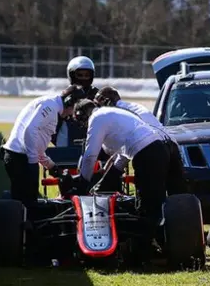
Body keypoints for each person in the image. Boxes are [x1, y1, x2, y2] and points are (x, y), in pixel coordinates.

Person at [72, 99, 169, 262]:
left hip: (146, 153)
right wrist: (107, 179)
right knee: (155, 202)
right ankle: (158, 245)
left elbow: (90, 156)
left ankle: (144, 252)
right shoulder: (114, 114)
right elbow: (123, 154)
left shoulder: (97, 118)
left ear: (82, 116)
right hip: (157, 149)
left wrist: (83, 183)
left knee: (146, 204)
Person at [1, 85, 86, 209]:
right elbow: (29, 131)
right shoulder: (50, 106)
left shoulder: (51, 106)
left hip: (20, 157)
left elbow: (36, 143)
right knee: (26, 205)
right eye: (74, 109)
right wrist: (33, 161)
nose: (72, 114)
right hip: (19, 158)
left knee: (27, 204)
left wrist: (51, 166)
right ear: (70, 102)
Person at [94, 86, 186, 195]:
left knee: (150, 197)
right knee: (177, 194)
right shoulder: (133, 106)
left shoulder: (118, 114)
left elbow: (130, 145)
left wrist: (111, 175)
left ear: (106, 102)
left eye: (98, 105)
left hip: (154, 148)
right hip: (171, 145)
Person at [53, 56, 99, 147]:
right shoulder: (65, 95)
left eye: (87, 75)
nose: (83, 78)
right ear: (72, 75)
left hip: (92, 139)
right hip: (67, 139)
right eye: (80, 75)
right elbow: (52, 125)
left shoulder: (97, 95)